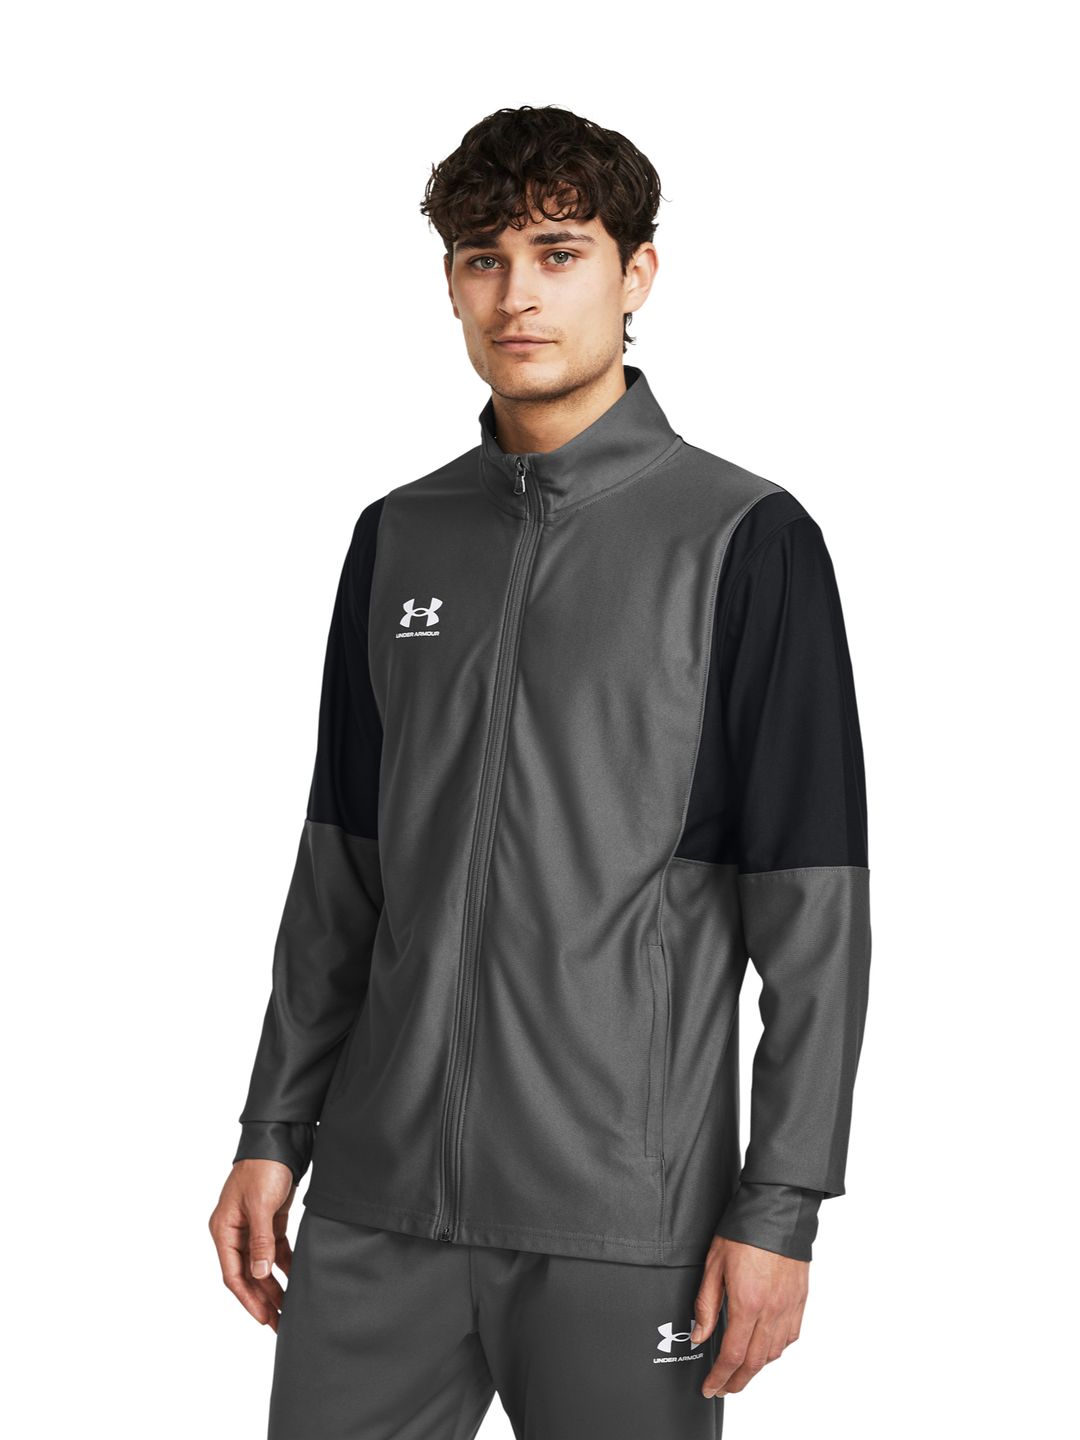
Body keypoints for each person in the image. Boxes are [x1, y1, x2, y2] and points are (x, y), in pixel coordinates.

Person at [209, 103, 872, 1440]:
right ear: (452, 283)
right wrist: (272, 1130)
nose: (517, 294)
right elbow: (341, 873)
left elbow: (813, 915)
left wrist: (781, 1206)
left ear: (637, 274)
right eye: (483, 258)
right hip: (377, 1201)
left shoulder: (744, 539)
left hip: (625, 1218)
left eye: (559, 253)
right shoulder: (398, 537)